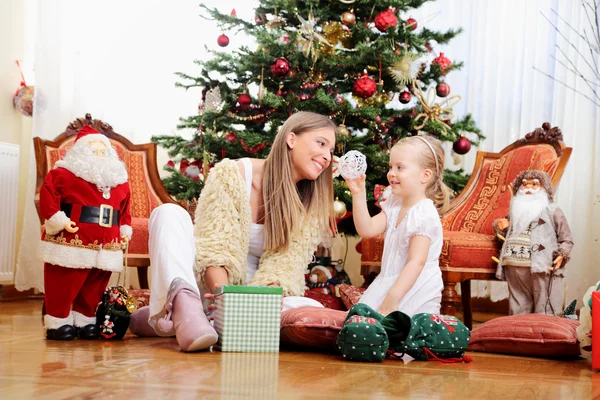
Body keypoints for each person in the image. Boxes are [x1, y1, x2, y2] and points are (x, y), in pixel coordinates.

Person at [131, 111, 336, 351]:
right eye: (321, 144)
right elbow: (215, 247)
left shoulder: (309, 203)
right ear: (291, 139)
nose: (327, 156)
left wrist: (252, 302)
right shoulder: (234, 174)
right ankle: (188, 311)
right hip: (208, 281)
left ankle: (174, 316)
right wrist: (223, 298)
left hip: (251, 295)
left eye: (331, 151)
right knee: (167, 213)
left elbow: (284, 268)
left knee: (307, 308)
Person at [39, 125, 132, 340]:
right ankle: (58, 321)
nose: (99, 156)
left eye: (103, 152)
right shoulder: (62, 174)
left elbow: (125, 211)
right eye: (94, 152)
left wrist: (125, 230)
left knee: (95, 282)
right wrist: (60, 221)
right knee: (65, 280)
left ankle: (85, 319)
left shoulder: (119, 181)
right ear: (80, 153)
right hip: (72, 238)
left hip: (107, 242)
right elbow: (48, 197)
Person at [345, 135, 449, 317]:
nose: (391, 173)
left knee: (394, 331)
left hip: (415, 288)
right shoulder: (394, 202)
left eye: (400, 167)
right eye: (390, 167)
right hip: (388, 282)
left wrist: (392, 297)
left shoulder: (424, 213)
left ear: (425, 175)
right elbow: (367, 229)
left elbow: (416, 262)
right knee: (359, 323)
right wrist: (358, 193)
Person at [493, 170, 574, 315]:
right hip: (513, 266)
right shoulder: (515, 209)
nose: (529, 188)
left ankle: (547, 334)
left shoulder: (553, 210)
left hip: (542, 266)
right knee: (517, 307)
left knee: (546, 308)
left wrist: (562, 254)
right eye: (524, 184)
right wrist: (500, 226)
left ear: (545, 188)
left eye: (535, 184)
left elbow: (566, 238)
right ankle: (519, 334)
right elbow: (505, 231)